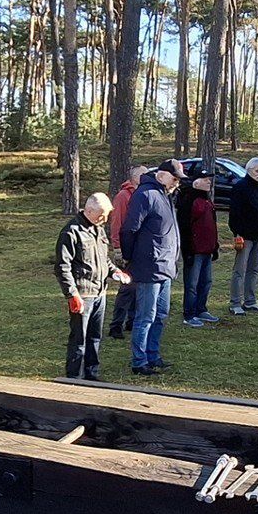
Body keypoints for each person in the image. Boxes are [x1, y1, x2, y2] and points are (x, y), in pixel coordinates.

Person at [120, 161, 182, 375]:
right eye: (175, 179)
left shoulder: (165, 194)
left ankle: (153, 355)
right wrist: (130, 257)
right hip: (149, 266)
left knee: (161, 314)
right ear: (163, 175)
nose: (177, 184)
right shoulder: (145, 195)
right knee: (146, 315)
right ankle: (139, 361)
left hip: (165, 265)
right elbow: (129, 229)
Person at [54, 192, 124, 380]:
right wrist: (72, 295)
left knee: (95, 337)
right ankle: (74, 377)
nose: (105, 219)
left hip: (100, 292)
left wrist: (115, 271)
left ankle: (91, 374)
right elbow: (62, 267)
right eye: (102, 215)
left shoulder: (98, 229)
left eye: (107, 215)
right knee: (79, 339)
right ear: (89, 210)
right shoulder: (71, 232)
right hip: (82, 293)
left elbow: (104, 259)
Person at [227, 155, 258, 314]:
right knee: (239, 270)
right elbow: (234, 214)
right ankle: (235, 303)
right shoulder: (240, 187)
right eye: (257, 170)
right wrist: (237, 233)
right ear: (249, 170)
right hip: (244, 236)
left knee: (254, 270)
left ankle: (250, 301)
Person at [176, 173, 223, 326]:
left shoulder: (207, 200)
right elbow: (184, 226)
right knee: (192, 284)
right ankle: (189, 314)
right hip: (194, 250)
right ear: (196, 183)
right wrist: (188, 250)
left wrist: (214, 246)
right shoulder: (189, 200)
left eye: (209, 180)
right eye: (205, 180)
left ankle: (201, 309)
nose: (209, 182)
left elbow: (212, 225)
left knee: (206, 281)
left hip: (207, 249)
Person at [107, 165, 148, 337]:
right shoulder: (123, 196)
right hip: (126, 248)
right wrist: (117, 247)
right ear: (134, 178)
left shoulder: (142, 194)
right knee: (127, 287)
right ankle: (116, 324)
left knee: (137, 287)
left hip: (140, 248)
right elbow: (117, 223)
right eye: (143, 175)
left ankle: (131, 321)